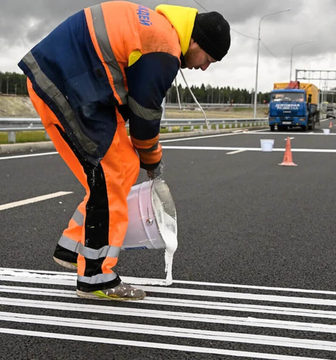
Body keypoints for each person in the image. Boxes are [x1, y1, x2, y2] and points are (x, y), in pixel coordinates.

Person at [18, 1, 230, 301]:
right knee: (112, 175)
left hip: (70, 81)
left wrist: (144, 159)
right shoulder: (164, 47)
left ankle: (73, 246)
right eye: (208, 58)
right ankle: (95, 276)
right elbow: (144, 122)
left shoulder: (157, 30)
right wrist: (154, 164)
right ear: (195, 42)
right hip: (70, 85)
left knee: (120, 168)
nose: (204, 66)